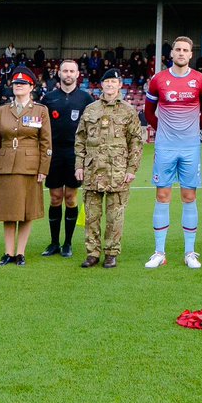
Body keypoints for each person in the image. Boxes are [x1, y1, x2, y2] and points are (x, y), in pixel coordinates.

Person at [143, 36, 202, 269]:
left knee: (189, 197)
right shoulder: (158, 80)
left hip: (190, 146)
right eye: (177, 49)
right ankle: (159, 252)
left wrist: (191, 130)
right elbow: (149, 112)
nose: (181, 53)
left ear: (191, 54)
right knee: (162, 196)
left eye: (185, 50)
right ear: (171, 53)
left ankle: (190, 252)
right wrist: (163, 130)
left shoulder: (200, 80)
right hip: (165, 146)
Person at [76, 68, 145, 268]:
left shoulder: (128, 110)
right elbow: (80, 138)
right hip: (92, 169)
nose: (110, 85)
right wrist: (78, 165)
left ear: (119, 85)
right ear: (101, 85)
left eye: (113, 82)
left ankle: (111, 252)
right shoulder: (90, 109)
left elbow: (136, 142)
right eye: (106, 82)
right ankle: (92, 253)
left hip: (118, 171)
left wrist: (132, 169)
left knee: (115, 216)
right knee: (91, 215)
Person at [0, 68, 52, 266]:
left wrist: (44, 168)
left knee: (26, 211)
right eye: (16, 83)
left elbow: (46, 142)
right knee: (8, 211)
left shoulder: (40, 110)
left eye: (23, 84)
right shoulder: (2, 110)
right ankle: (8, 253)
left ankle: (20, 253)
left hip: (30, 166)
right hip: (6, 165)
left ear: (31, 87)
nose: (18, 86)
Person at [38, 59, 94, 258]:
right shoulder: (48, 98)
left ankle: (68, 243)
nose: (68, 74)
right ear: (59, 73)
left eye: (72, 71)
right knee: (55, 198)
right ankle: (53, 243)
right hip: (53, 154)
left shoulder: (86, 99)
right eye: (65, 71)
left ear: (78, 74)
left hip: (75, 154)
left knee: (70, 197)